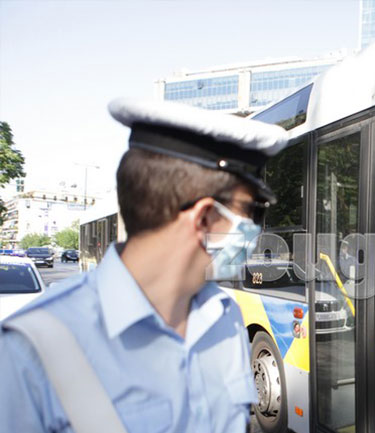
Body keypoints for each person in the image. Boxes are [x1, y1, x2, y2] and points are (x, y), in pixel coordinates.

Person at [0, 98, 288, 432]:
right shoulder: (28, 352)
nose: (254, 229)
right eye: (252, 211)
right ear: (205, 217)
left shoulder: (225, 316)